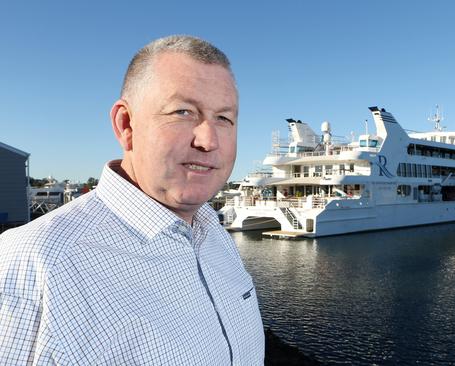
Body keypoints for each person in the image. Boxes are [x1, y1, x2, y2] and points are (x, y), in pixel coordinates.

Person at [0, 35, 264, 365]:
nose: (209, 141)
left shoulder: (216, 235)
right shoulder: (34, 264)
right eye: (183, 111)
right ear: (126, 125)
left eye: (224, 118)